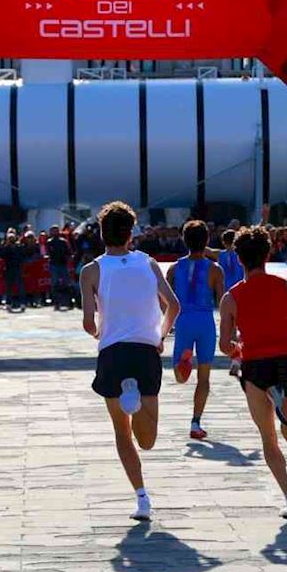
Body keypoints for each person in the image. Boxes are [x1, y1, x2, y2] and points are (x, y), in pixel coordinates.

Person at [80, 201, 180, 522]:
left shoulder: (91, 270)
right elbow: (173, 305)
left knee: (122, 435)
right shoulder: (149, 263)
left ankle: (142, 499)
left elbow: (87, 321)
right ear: (131, 233)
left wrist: (98, 333)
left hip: (113, 351)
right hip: (146, 349)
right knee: (147, 440)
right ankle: (133, 397)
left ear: (101, 233)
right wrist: (161, 335)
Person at [218, 225, 287, 521]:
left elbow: (224, 345)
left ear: (238, 259)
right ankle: (284, 409)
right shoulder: (285, 285)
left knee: (267, 438)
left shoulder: (231, 297)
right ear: (268, 253)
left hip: (254, 367)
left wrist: (237, 349)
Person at [167, 220, 224, 441]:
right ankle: (195, 422)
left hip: (183, 321)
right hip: (205, 321)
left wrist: (165, 325)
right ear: (207, 240)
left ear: (183, 239)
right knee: (204, 378)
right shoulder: (215, 269)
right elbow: (223, 302)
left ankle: (184, 360)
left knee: (181, 378)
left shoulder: (174, 268)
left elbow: (164, 299)